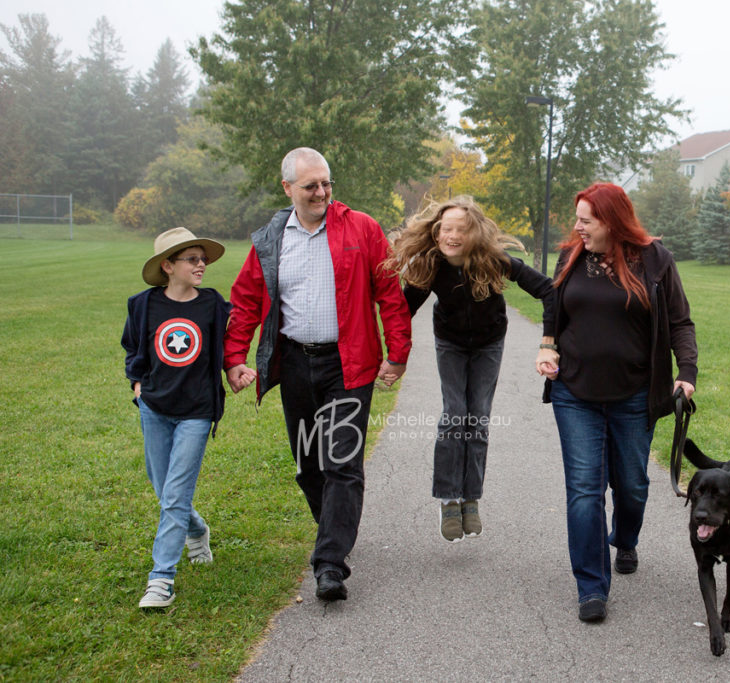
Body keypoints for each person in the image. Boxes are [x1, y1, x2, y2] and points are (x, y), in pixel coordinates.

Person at [224, 147, 412, 602]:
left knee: (342, 463)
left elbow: (389, 292)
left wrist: (398, 352)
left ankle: (330, 563)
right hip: (294, 364)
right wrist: (234, 357)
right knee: (309, 464)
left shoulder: (361, 228)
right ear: (287, 188)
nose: (321, 192)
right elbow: (247, 300)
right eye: (310, 185)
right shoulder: (270, 239)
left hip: (348, 364)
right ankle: (335, 527)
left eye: (326, 183)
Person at [536, 182, 697, 623]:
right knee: (585, 490)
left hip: (634, 395)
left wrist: (686, 374)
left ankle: (625, 539)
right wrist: (547, 345)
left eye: (586, 220)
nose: (578, 227)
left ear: (611, 221)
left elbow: (680, 321)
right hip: (575, 392)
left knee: (632, 486)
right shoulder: (571, 256)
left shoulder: (654, 260)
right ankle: (591, 586)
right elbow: (555, 308)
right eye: (578, 219)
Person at [385, 196, 557, 542]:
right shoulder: (431, 264)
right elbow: (402, 312)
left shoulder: (494, 261)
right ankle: (449, 499)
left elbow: (547, 290)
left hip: (488, 344)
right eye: (445, 228)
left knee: (477, 418)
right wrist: (394, 356)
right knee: (455, 414)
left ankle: (471, 498)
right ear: (436, 233)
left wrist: (548, 342)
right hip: (450, 342)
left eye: (460, 229)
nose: (452, 235)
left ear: (474, 233)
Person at [122, 227, 230, 609]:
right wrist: (136, 385)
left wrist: (236, 369)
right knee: (162, 486)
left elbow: (230, 347)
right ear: (168, 266)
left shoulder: (214, 305)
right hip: (154, 408)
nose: (202, 265)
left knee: (175, 494)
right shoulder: (144, 305)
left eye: (203, 259)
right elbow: (133, 349)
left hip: (196, 412)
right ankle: (197, 530)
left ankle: (161, 579)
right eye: (192, 259)